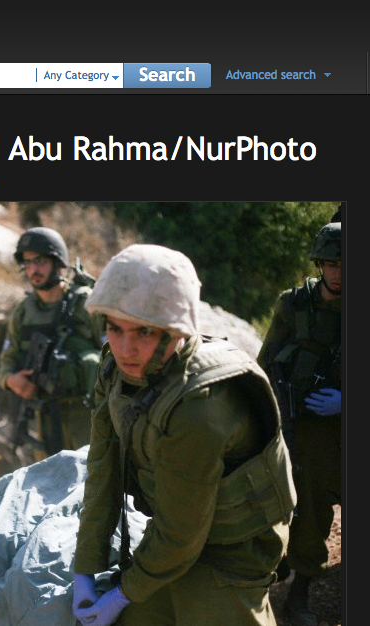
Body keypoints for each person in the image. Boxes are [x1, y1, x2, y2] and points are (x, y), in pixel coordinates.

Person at [72, 244, 296, 626]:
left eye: (144, 331)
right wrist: (85, 568)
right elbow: (103, 471)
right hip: (172, 530)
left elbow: (181, 535)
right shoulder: (115, 371)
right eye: (115, 328)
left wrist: (124, 593)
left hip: (234, 548)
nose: (125, 348)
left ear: (177, 329)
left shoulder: (201, 405)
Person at [257, 221, 342, 626]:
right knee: (306, 505)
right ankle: (299, 589)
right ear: (319, 264)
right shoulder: (293, 305)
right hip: (303, 426)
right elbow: (266, 363)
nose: (338, 272)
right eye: (331, 263)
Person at [0, 226, 103, 460]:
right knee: (48, 480)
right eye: (28, 263)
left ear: (57, 263)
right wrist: (12, 380)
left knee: (92, 475)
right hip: (44, 413)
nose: (33, 269)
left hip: (87, 413)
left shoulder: (84, 303)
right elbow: (6, 362)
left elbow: (114, 352)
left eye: (40, 261)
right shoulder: (23, 313)